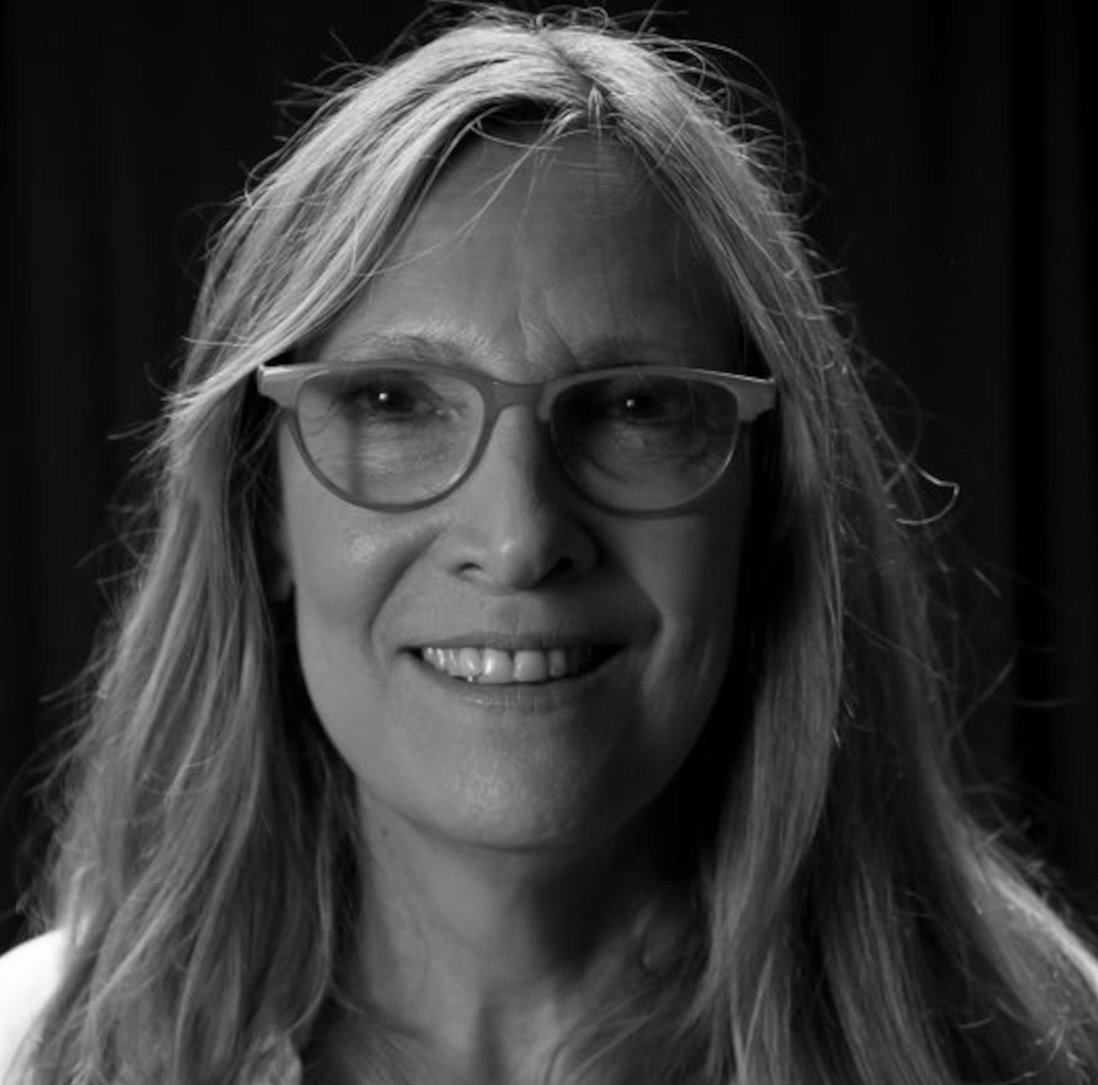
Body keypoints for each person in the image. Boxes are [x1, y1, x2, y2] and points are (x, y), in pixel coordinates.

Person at [2, 7, 1097, 1084]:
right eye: (392, 402)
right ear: (263, 512)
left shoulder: (1050, 1049)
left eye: (634, 408)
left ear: (766, 505)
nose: (520, 536)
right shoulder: (27, 1050)